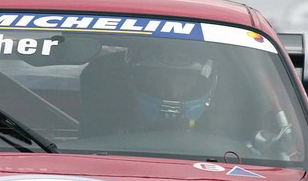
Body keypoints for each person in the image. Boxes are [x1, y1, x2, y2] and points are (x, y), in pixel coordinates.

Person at [78, 40, 219, 137]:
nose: (173, 92)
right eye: (161, 83)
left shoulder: (223, 137)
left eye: (183, 83)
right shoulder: (103, 129)